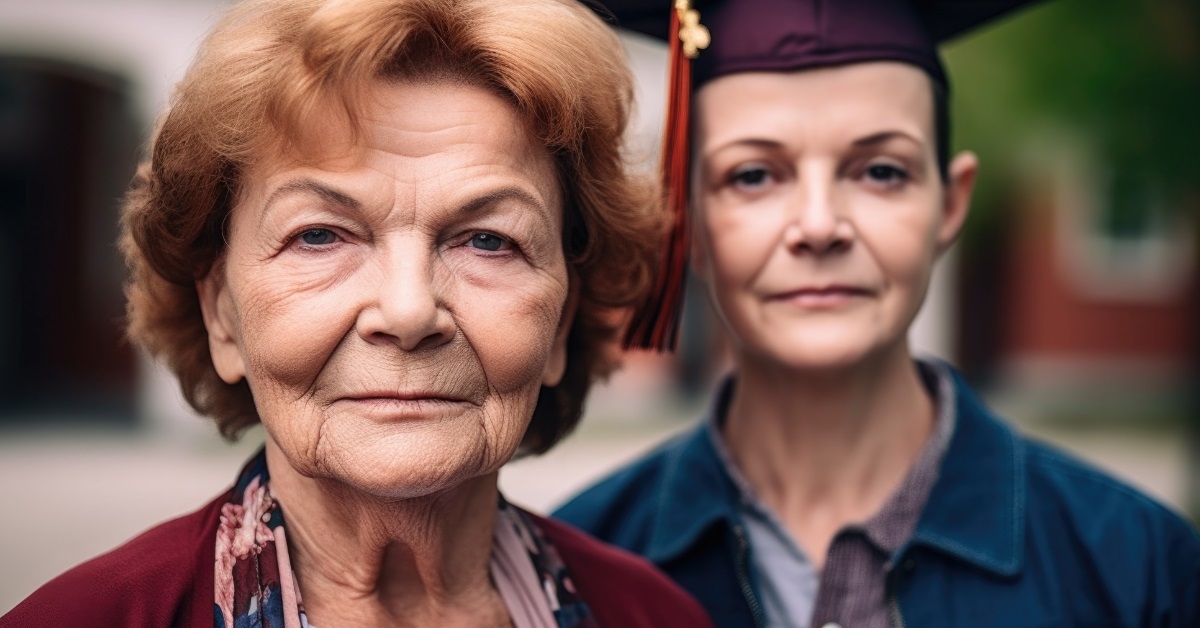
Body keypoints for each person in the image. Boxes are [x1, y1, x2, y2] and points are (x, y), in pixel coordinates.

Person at [0, 0, 716, 626]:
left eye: (488, 240)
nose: (407, 311)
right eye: (319, 235)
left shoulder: (656, 617)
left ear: (561, 323)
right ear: (222, 314)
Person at [554, 0, 1200, 626]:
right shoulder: (574, 575)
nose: (818, 225)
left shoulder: (1139, 570)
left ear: (950, 205)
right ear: (685, 221)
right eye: (753, 176)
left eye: (881, 171)